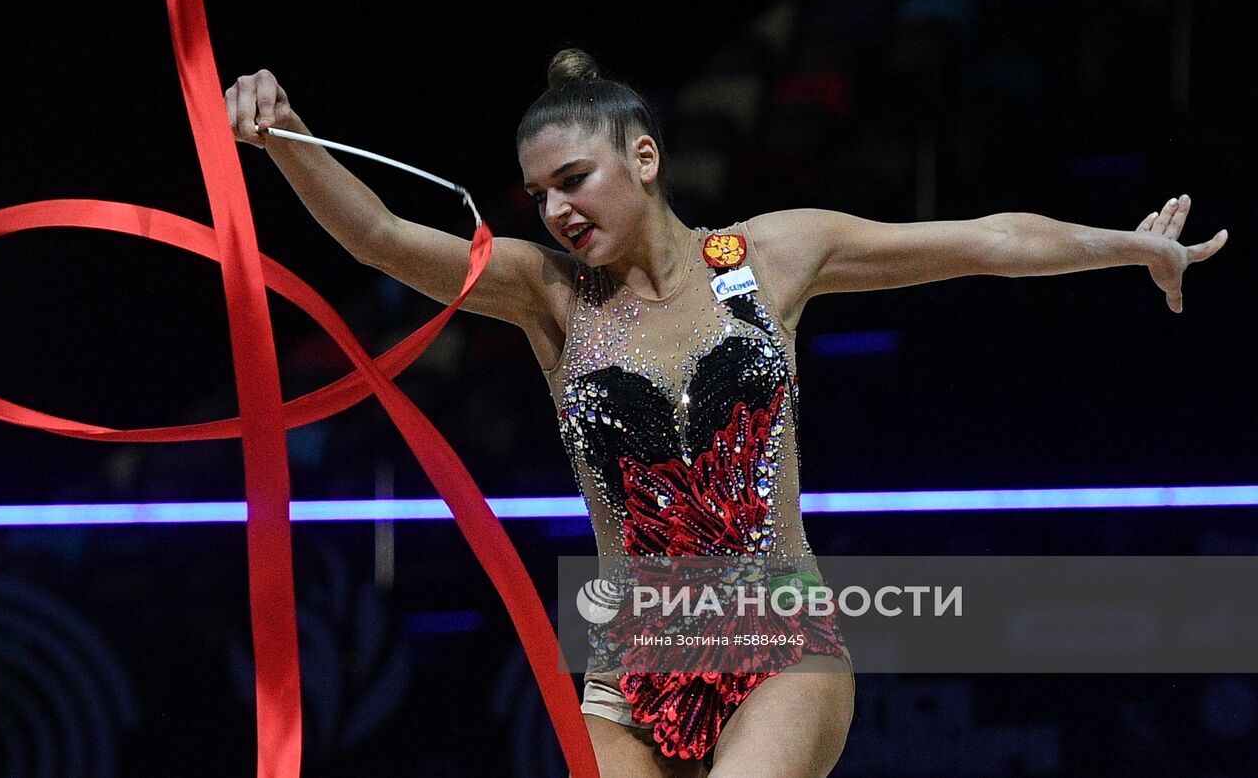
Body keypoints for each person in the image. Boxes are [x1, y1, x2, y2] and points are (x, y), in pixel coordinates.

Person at [225, 49, 1228, 778]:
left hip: (777, 641)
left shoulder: (768, 257)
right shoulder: (548, 295)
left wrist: (1129, 247)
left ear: (646, 157)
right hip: (629, 668)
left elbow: (986, 241)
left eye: (575, 179)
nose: (559, 210)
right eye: (539, 196)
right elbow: (377, 236)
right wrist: (284, 134)